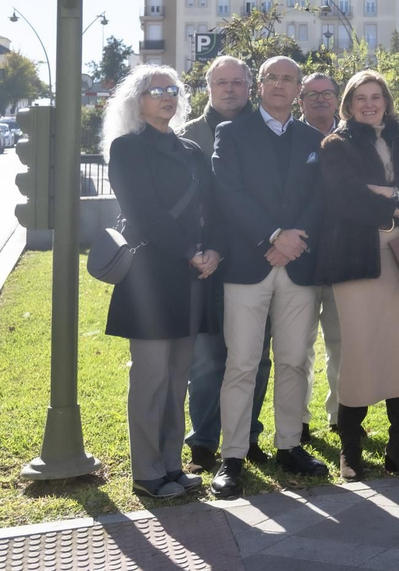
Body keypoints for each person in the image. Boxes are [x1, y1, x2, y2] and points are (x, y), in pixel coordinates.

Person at [208, 56, 329, 499]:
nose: (280, 84)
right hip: (247, 266)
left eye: (288, 79)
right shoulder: (231, 133)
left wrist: (296, 239)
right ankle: (233, 454)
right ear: (259, 85)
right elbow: (228, 193)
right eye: (272, 77)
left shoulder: (314, 138)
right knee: (241, 364)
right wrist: (272, 236)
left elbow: (321, 198)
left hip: (299, 267)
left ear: (298, 89)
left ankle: (289, 445)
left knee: (295, 360)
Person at [316, 70, 399, 480]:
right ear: (348, 105)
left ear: (386, 101)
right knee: (360, 351)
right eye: (360, 98)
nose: (369, 104)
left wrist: (388, 193)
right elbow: (345, 199)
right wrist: (396, 202)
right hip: (356, 257)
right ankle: (350, 449)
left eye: (377, 97)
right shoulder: (336, 145)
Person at [104, 66, 218, 499]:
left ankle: (172, 464)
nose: (167, 97)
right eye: (157, 92)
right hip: (151, 280)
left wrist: (214, 251)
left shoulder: (190, 150)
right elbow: (142, 212)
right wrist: (191, 252)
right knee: (150, 379)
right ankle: (147, 471)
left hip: (193, 278)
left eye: (173, 90)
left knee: (178, 378)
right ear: (138, 100)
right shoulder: (128, 149)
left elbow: (213, 209)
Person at [180, 55, 271, 471]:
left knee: (256, 355)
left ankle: (247, 436)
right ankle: (203, 441)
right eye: (222, 83)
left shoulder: (266, 130)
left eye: (238, 82)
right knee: (207, 358)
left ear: (250, 87)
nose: (230, 89)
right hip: (204, 266)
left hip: (255, 259)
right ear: (209, 87)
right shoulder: (187, 137)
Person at [298, 71, 343, 437]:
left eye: (326, 93)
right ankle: (298, 420)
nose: (319, 100)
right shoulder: (288, 138)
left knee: (342, 343)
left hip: (344, 257)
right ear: (300, 101)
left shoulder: (352, 136)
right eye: (311, 94)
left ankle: (341, 416)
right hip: (299, 256)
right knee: (298, 346)